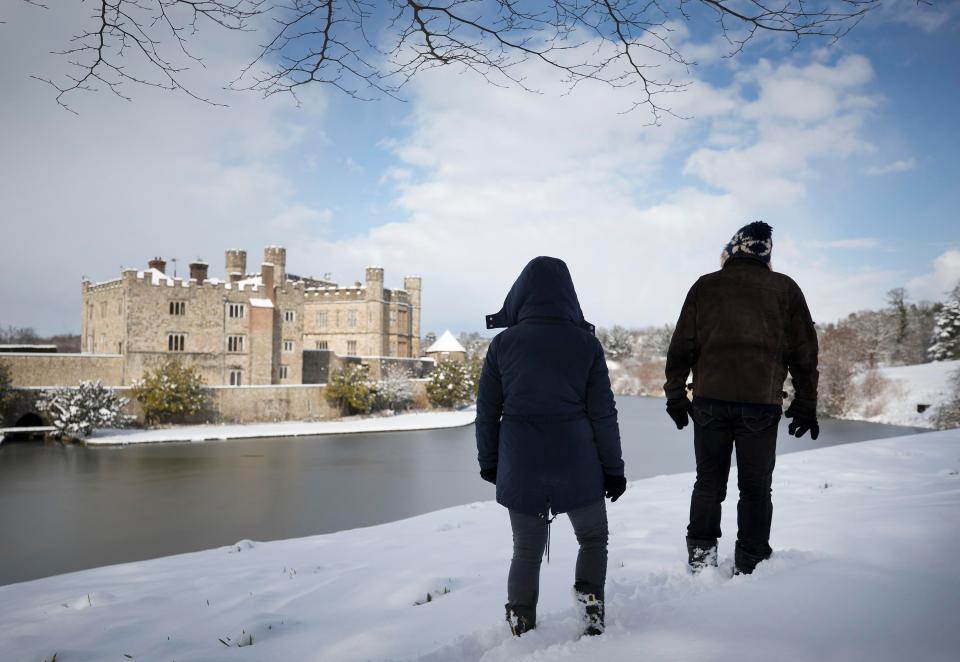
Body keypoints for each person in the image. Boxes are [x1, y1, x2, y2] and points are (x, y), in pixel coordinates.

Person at [476, 256, 626, 637]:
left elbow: (487, 413)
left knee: (525, 550)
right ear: (568, 296)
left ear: (521, 294)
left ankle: (520, 626)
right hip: (578, 463)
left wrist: (491, 464)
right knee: (593, 539)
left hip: (520, 464)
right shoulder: (586, 345)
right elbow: (604, 415)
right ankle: (591, 615)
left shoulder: (502, 346)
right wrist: (614, 469)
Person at [663, 221, 819, 575]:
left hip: (709, 403)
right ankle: (751, 561)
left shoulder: (705, 286)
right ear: (766, 256)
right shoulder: (786, 289)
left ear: (733, 250)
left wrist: (675, 394)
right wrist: (806, 400)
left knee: (708, 483)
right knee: (755, 488)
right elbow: (805, 352)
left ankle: (701, 561)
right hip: (760, 406)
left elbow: (681, 346)